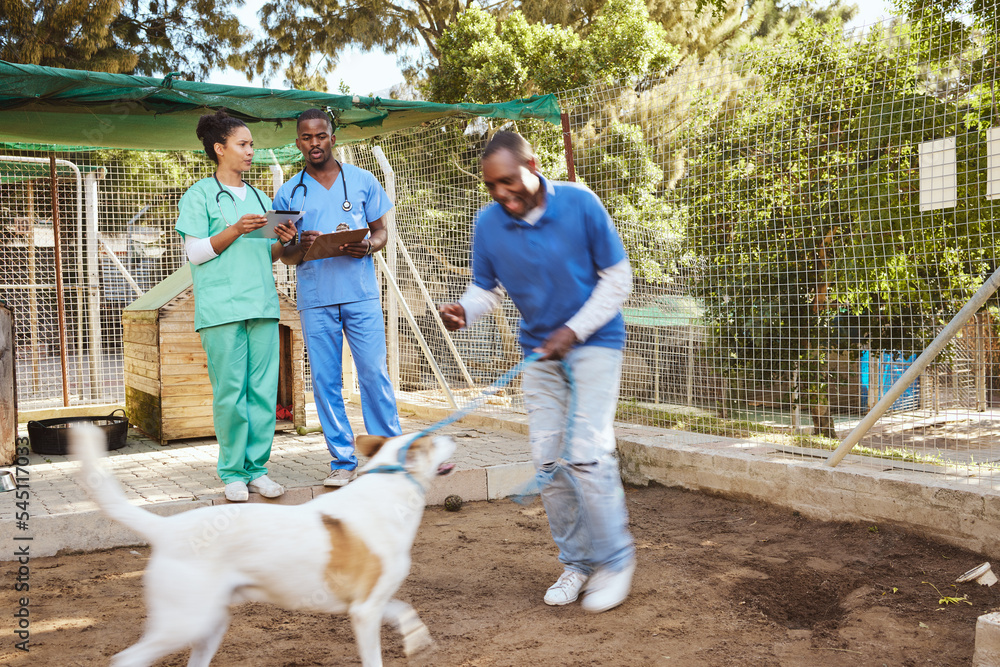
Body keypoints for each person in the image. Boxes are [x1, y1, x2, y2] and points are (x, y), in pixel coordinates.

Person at [439, 131, 636, 613]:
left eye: (508, 181)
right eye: (492, 187)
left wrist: (573, 330)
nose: (502, 194)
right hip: (540, 353)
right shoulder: (488, 224)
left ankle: (615, 561)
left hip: (596, 343)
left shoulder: (580, 204)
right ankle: (578, 563)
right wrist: (466, 309)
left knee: (587, 453)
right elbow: (486, 290)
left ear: (533, 163)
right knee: (548, 459)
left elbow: (619, 279)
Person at [275, 108, 402, 487]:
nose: (314, 143)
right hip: (316, 296)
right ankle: (343, 462)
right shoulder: (289, 191)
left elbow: (380, 233)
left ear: (333, 137)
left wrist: (368, 247)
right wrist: (297, 242)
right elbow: (285, 254)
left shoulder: (363, 181)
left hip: (360, 295)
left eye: (321, 135)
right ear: (298, 142)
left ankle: (386, 456)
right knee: (326, 381)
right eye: (306, 137)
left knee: (373, 374)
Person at [175, 110, 297, 502]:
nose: (251, 151)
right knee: (230, 392)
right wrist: (233, 229)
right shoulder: (198, 195)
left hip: (261, 305)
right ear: (219, 148)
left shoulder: (262, 197)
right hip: (220, 309)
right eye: (243, 145)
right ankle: (232, 474)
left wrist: (286, 238)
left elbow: (270, 254)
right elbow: (194, 253)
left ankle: (257, 471)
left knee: (263, 393)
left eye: (251, 145)